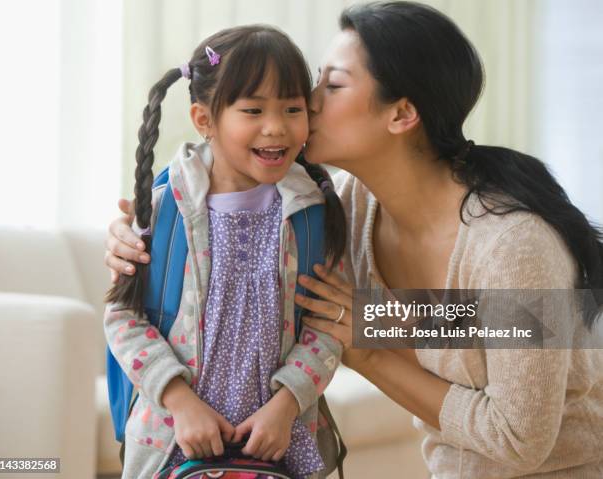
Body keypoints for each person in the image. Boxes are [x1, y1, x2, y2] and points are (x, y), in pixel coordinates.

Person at [105, 2, 603, 478]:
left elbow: (519, 437)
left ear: (401, 114)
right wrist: (130, 237)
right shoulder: (349, 209)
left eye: (332, 85)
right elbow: (477, 323)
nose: (307, 101)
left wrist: (364, 342)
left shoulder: (514, 246)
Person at [103, 24, 348, 479]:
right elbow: (123, 317)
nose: (276, 127)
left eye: (293, 108)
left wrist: (287, 404)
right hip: (175, 440)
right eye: (252, 109)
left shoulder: (316, 215)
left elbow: (328, 325)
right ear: (205, 120)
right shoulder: (161, 211)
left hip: (280, 442)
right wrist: (179, 402)